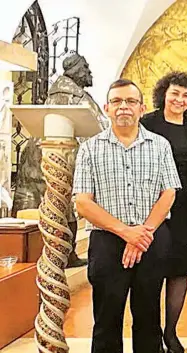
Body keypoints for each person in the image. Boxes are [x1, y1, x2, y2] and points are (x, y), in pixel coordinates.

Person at [73, 79, 181, 353]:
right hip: (108, 242)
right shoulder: (90, 149)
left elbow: (168, 193)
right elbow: (83, 202)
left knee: (147, 317)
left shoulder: (160, 145)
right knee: (107, 319)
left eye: (131, 101)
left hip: (151, 239)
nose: (124, 106)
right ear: (107, 108)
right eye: (117, 101)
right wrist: (125, 233)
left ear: (142, 108)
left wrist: (141, 233)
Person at [14, 53, 108, 267]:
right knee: (58, 207)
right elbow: (95, 130)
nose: (89, 71)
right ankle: (54, 254)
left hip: (58, 158)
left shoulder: (73, 94)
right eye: (85, 67)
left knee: (63, 208)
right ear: (75, 71)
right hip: (56, 158)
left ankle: (66, 254)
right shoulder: (71, 97)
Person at [141, 71, 187, 353]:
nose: (180, 99)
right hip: (153, 209)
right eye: (175, 93)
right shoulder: (148, 123)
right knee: (151, 274)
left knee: (180, 272)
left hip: (186, 210)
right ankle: (151, 336)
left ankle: (171, 332)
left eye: (186, 95)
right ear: (164, 93)